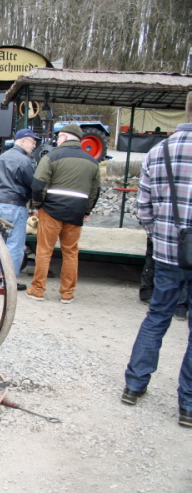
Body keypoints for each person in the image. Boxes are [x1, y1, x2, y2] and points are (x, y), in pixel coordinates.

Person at [122, 92, 192, 428]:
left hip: (167, 254)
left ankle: (134, 386)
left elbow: (144, 210)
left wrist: (162, 237)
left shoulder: (158, 151)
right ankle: (188, 405)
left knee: (157, 317)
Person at [26, 123, 101, 303]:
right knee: (71, 253)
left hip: (51, 210)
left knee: (44, 251)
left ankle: (37, 290)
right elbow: (95, 190)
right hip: (76, 212)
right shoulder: (92, 162)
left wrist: (38, 205)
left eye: (59, 137)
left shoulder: (51, 157)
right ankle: (67, 294)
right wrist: (86, 210)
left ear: (65, 137)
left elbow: (38, 184)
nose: (57, 140)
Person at [0, 128, 40, 291]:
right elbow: (34, 185)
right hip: (16, 205)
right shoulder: (26, 161)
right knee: (15, 245)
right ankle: (9, 282)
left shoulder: (1, 158)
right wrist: (32, 199)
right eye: (32, 142)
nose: (34, 145)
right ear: (22, 141)